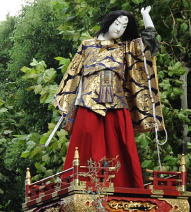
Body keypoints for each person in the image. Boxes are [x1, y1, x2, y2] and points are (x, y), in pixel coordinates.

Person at [53, 7, 163, 190]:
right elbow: (72, 75)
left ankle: (127, 191)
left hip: (117, 106)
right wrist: (66, 105)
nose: (119, 29)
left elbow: (150, 43)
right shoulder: (87, 45)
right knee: (84, 147)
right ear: (109, 22)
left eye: (124, 26)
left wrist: (146, 15)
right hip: (88, 105)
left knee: (122, 148)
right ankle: (78, 191)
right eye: (117, 23)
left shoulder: (125, 49)